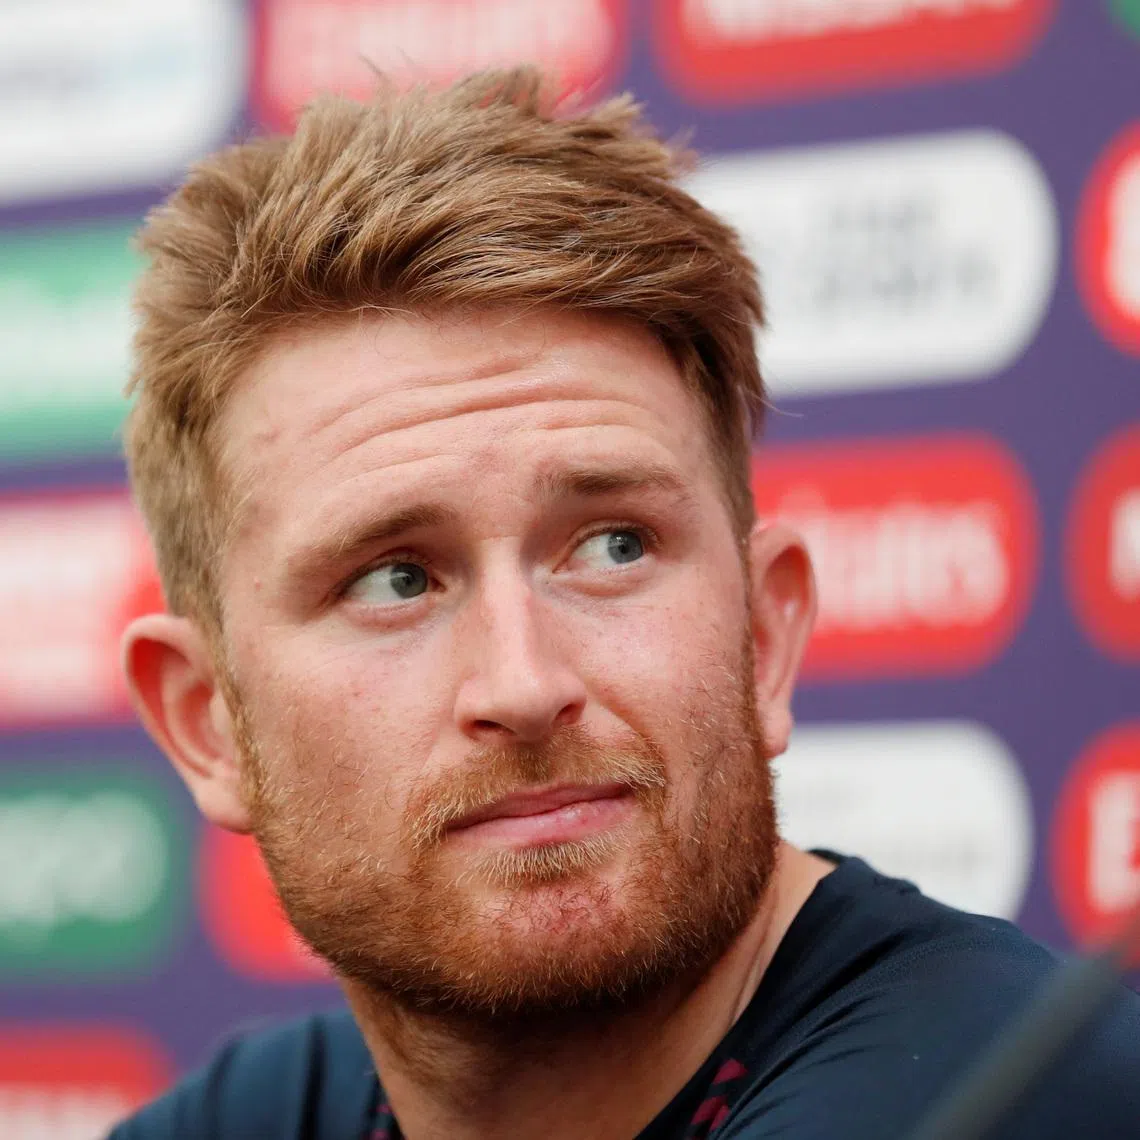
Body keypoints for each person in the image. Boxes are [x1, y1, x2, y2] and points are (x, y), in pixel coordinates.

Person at [109, 69, 1138, 1140]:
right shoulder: (263, 1109)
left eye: (612, 547)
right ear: (206, 720)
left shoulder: (996, 1091)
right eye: (396, 579)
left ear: (763, 634)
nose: (523, 683)